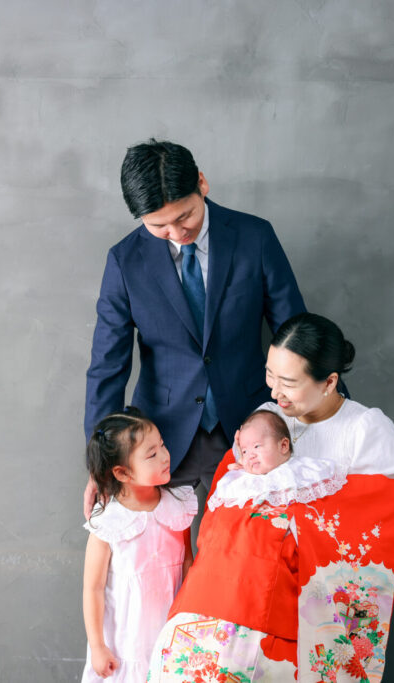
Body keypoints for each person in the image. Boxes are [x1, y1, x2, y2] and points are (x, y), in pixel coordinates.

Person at [147, 313, 394, 682]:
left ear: (329, 382)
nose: (274, 392)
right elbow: (229, 487)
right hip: (235, 568)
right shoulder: (268, 417)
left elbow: (378, 514)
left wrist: (286, 520)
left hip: (303, 571)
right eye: (270, 376)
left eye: (288, 382)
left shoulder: (365, 429)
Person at [84, 139, 309, 522]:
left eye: (184, 216)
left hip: (252, 432)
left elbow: (296, 334)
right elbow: (108, 364)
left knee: (251, 550)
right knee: (159, 555)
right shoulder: (124, 261)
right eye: (158, 225)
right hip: (159, 441)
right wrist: (100, 462)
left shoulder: (254, 237)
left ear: (201, 183)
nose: (176, 232)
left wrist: (332, 418)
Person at [81, 407, 197, 683]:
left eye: (162, 445)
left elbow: (187, 563)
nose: (165, 456)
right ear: (123, 473)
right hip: (126, 640)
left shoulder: (178, 506)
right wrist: (97, 646)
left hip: (171, 629)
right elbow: (93, 588)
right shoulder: (109, 523)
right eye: (152, 454)